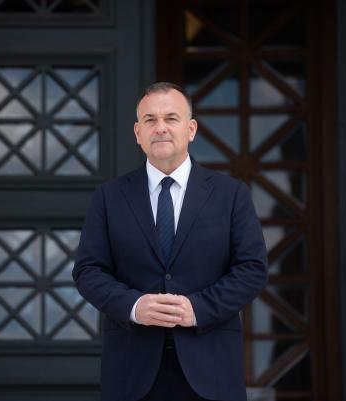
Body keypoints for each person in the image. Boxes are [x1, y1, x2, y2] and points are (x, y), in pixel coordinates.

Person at [72, 82, 268, 401]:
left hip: (211, 371)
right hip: (131, 373)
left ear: (191, 129)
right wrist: (135, 306)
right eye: (150, 120)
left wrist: (198, 309)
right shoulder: (108, 197)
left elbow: (252, 269)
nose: (160, 127)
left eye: (171, 118)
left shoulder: (231, 194)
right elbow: (88, 271)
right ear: (138, 133)